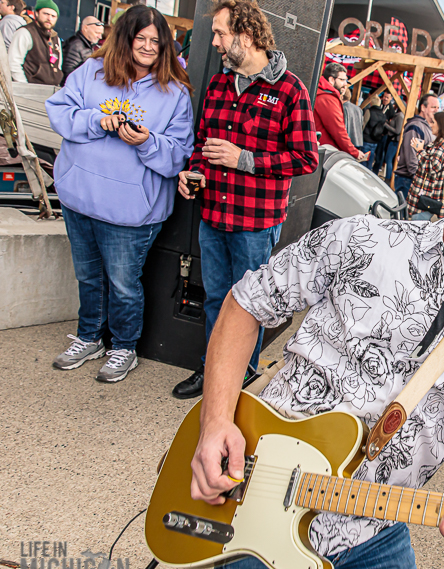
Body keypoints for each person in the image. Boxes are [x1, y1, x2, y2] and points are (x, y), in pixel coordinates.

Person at [189, 130, 444, 569]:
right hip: (258, 489)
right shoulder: (360, 240)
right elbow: (246, 304)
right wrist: (214, 426)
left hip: (373, 526)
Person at [171, 0, 319, 400]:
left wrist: (245, 160)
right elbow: (203, 144)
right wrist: (193, 172)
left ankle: (241, 380)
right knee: (216, 298)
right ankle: (212, 370)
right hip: (213, 214)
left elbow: (307, 158)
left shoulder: (290, 89)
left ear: (247, 35)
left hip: (255, 223)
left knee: (250, 306)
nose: (215, 42)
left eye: (220, 33)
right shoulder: (221, 83)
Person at [47, 5, 193, 382]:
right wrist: (97, 120)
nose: (147, 47)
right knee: (88, 277)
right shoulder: (91, 72)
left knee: (124, 284)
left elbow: (179, 153)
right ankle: (88, 336)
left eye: (156, 42)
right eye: (140, 39)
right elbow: (59, 113)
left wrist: (146, 141)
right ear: (124, 40)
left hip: (131, 212)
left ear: (165, 49)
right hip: (78, 197)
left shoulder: (174, 93)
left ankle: (124, 346)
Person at [406, 110, 444, 221]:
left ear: (441, 125)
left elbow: (432, 167)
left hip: (426, 198)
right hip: (429, 198)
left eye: (433, 122)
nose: (431, 125)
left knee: (416, 230)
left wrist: (419, 150)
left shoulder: (442, 144)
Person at [314, 62, 365, 160]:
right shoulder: (328, 98)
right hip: (324, 152)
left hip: (320, 149)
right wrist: (354, 152)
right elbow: (338, 130)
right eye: (342, 80)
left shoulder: (322, 93)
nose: (345, 83)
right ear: (331, 79)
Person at [394, 92, 438, 199]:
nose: (436, 110)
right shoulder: (415, 126)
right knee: (402, 215)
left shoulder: (425, 126)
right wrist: (420, 180)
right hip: (408, 181)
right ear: (423, 107)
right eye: (433, 107)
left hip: (414, 180)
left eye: (437, 107)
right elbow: (411, 158)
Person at [8, 0, 61, 85]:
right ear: (36, 13)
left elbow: (58, 65)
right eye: (46, 14)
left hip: (51, 90)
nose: (49, 18)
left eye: (53, 16)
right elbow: (13, 63)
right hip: (30, 90)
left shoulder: (55, 37)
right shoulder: (25, 32)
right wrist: (24, 86)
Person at [61, 15, 103, 84]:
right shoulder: (75, 45)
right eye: (97, 33)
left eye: (101, 33)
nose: (100, 37)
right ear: (85, 28)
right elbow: (68, 72)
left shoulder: (87, 44)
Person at [376, 99, 403, 181]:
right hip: (393, 140)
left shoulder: (400, 116)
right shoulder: (399, 115)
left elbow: (397, 131)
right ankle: (388, 177)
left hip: (395, 141)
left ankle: (388, 178)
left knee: (388, 159)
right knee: (389, 159)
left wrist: (386, 125)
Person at [361, 93, 385, 171]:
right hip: (375, 141)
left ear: (371, 102)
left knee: (363, 161)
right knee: (370, 161)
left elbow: (364, 124)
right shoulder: (383, 114)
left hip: (366, 139)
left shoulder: (369, 111)